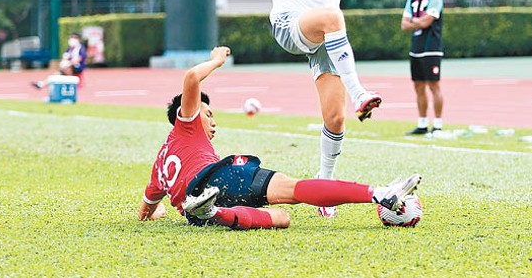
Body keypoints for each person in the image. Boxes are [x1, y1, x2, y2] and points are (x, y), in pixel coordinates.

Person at [221, 0, 441, 217]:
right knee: (333, 15)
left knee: (335, 119)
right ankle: (361, 93)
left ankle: (324, 189)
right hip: (289, 23)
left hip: (326, 37)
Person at [137, 46, 422, 230]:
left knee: (282, 219)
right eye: (208, 113)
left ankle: (213, 212)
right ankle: (379, 193)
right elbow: (191, 78)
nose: (213, 122)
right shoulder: (185, 126)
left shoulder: (159, 167)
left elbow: (146, 211)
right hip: (218, 177)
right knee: (294, 188)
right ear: (185, 113)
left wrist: (157, 211)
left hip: (194, 207)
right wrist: (217, 60)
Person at [401, 0, 444, 135]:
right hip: (416, 48)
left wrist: (414, 21)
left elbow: (427, 22)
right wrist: (417, 22)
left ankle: (438, 124)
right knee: (418, 86)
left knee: (434, 85)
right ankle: (422, 123)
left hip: (431, 48)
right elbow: (403, 25)